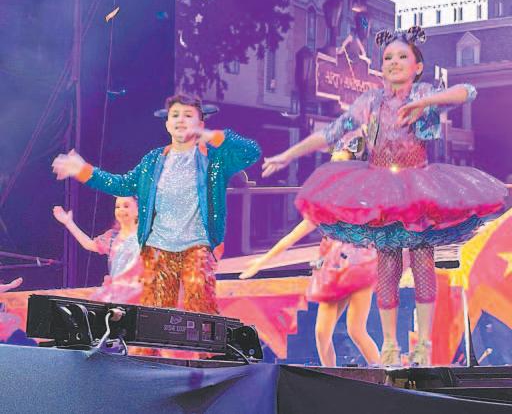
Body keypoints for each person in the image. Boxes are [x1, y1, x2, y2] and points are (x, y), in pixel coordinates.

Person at [261, 27, 507, 366]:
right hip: (382, 188)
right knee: (388, 264)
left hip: (417, 188)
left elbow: (468, 91)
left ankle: (423, 344)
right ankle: (389, 343)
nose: (394, 62)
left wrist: (424, 102)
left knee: (422, 262)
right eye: (388, 57)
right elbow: (331, 133)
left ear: (417, 67)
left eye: (402, 56)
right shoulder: (371, 102)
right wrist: (287, 156)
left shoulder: (423, 92)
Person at [52, 93, 261, 314]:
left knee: (199, 309)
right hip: (158, 249)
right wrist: (84, 171)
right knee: (157, 315)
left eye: (188, 115)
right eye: (175, 115)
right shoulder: (153, 161)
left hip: (198, 247)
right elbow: (122, 185)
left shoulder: (214, 159)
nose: (181, 120)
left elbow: (250, 152)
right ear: (167, 124)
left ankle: (204, 337)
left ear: (200, 123)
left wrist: (212, 136)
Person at [242, 148, 379, 367]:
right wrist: (262, 261)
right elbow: (293, 236)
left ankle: (383, 374)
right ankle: (331, 377)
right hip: (334, 270)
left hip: (360, 267)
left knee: (356, 330)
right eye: (333, 162)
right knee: (322, 334)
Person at [53, 197, 142, 304]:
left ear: (138, 210)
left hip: (138, 295)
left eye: (126, 206)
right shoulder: (112, 237)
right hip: (115, 295)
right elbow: (89, 244)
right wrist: (68, 222)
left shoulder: (145, 237)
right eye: (117, 207)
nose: (121, 210)